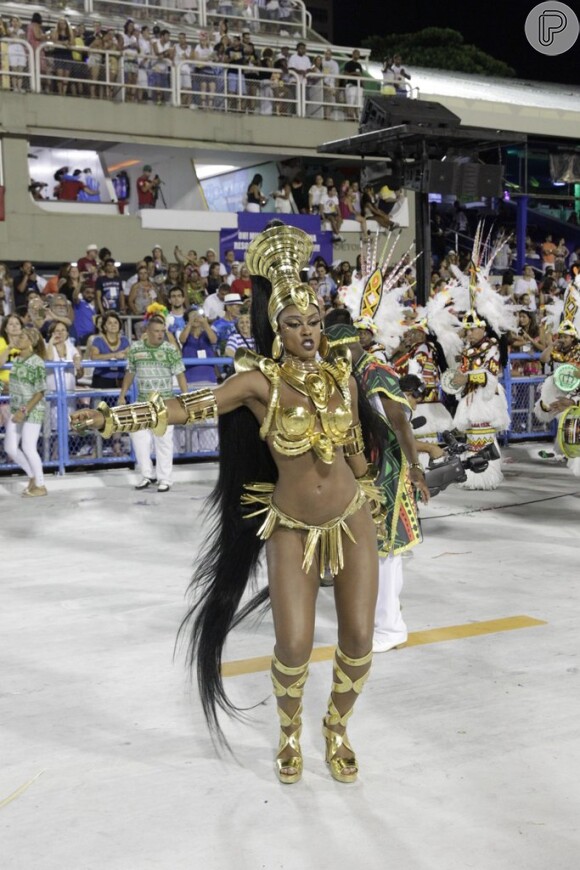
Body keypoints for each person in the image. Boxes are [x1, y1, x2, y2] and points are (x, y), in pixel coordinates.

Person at [70, 223, 391, 785]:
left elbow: (356, 450)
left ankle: (337, 729)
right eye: (295, 324)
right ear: (277, 329)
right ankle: (290, 732)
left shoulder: (345, 377)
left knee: (360, 638)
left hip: (352, 517)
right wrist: (114, 419)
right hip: (290, 526)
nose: (309, 333)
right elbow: (188, 407)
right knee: (292, 644)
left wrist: (382, 498)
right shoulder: (258, 384)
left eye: (315, 321)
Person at [324, 321, 428, 654]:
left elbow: (400, 423)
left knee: (386, 549)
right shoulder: (352, 373)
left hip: (389, 472)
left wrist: (414, 468)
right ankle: (384, 619)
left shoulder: (376, 373)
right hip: (367, 468)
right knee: (374, 549)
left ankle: (391, 627)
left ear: (347, 347)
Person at [117, 315, 187, 492]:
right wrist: (122, 395)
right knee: (139, 439)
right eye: (156, 331)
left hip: (165, 403)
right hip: (142, 402)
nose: (160, 334)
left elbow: (180, 375)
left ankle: (165, 479)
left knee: (163, 441)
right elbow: (130, 373)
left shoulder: (170, 350)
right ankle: (147, 475)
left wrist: (186, 397)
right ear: (146, 332)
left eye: (162, 331)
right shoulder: (136, 349)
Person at [5, 326, 48, 497]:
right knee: (10, 448)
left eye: (22, 337)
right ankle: (32, 476)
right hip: (16, 409)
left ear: (31, 341)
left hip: (32, 410)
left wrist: (24, 410)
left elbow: (40, 391)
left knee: (28, 447)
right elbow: (15, 386)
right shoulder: (17, 360)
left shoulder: (36, 362)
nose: (17, 338)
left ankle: (40, 485)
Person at [89, 311, 130, 389]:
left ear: (119, 325)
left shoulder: (125, 341)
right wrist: (114, 355)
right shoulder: (98, 340)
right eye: (110, 323)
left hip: (121, 380)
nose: (113, 325)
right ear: (105, 326)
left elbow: (130, 355)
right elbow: (94, 357)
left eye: (115, 322)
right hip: (101, 380)